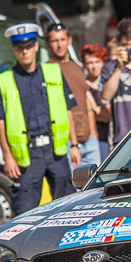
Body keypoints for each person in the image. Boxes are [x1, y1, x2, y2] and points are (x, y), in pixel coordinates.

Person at [0, 23, 81, 215]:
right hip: (28, 155)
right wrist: (8, 157)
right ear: (14, 50)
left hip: (56, 151)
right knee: (25, 211)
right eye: (20, 48)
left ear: (36, 47)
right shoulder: (4, 80)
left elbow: (67, 110)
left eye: (28, 47)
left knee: (68, 207)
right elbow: (0, 121)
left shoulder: (54, 72)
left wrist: (74, 145)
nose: (25, 52)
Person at [44, 22, 101, 168]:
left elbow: (86, 101)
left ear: (69, 40)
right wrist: (72, 143)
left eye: (63, 39)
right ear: (47, 44)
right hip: (67, 142)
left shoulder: (77, 67)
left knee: (96, 182)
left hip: (89, 140)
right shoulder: (46, 70)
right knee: (73, 182)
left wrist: (93, 134)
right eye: (55, 41)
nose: (60, 45)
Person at [81, 43, 112, 160]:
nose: (94, 66)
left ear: (103, 62)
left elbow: (107, 115)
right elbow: (96, 115)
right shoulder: (83, 86)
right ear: (84, 65)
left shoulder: (109, 84)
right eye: (90, 63)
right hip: (96, 140)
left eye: (97, 62)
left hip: (113, 136)